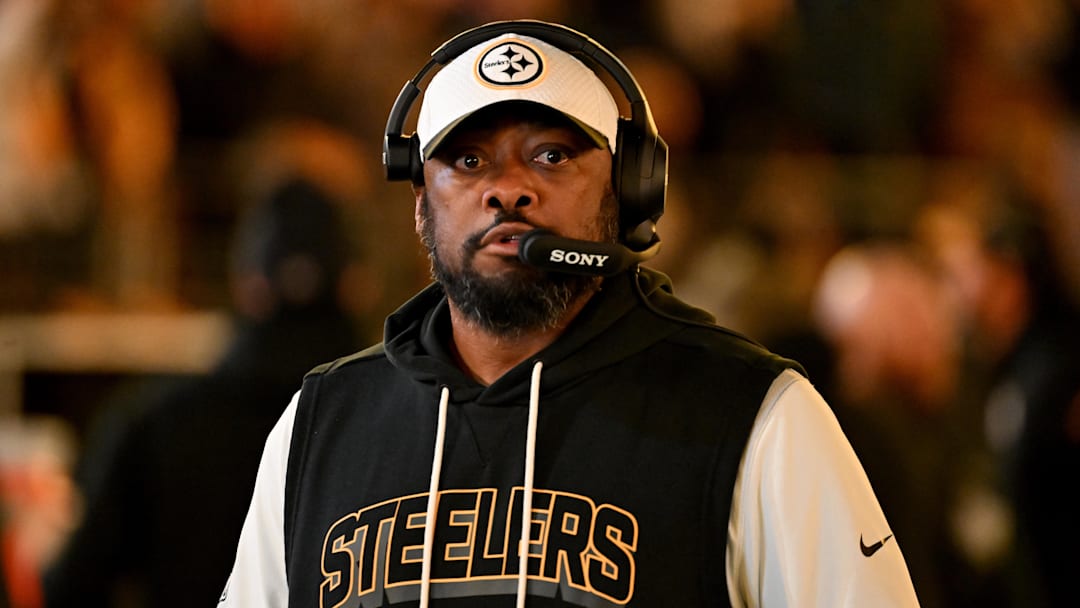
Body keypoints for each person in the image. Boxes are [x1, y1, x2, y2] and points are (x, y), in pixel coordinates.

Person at [221, 20, 919, 607]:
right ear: (420, 204)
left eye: (551, 156)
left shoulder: (757, 415)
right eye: (466, 161)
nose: (506, 190)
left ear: (631, 193)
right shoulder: (320, 421)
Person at [42, 177, 363, 608]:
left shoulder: (153, 421)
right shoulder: (402, 423)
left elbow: (72, 587)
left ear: (247, 284)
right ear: (354, 285)